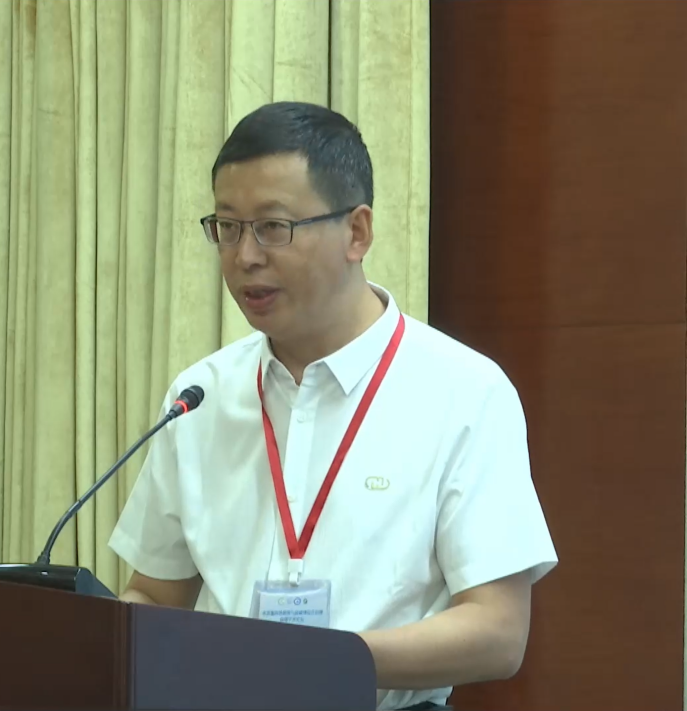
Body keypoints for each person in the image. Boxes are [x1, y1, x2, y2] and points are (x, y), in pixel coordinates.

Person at [107, 102, 557, 711]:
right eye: (228, 227)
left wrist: (320, 659)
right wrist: (100, 644)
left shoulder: (464, 391)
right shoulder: (200, 396)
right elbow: (155, 597)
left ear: (357, 232)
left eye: (273, 227)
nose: (245, 256)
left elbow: (497, 632)